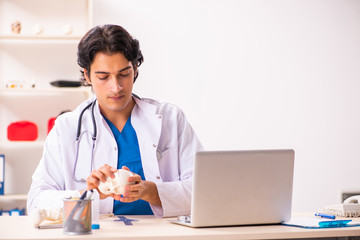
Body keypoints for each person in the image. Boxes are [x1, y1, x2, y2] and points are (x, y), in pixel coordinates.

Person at [27, 24, 204, 217]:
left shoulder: (170, 118)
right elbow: (37, 202)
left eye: (124, 74)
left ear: (135, 69)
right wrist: (90, 194)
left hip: (162, 233)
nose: (116, 87)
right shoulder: (67, 128)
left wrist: (152, 191)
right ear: (87, 75)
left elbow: (205, 190)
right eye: (103, 77)